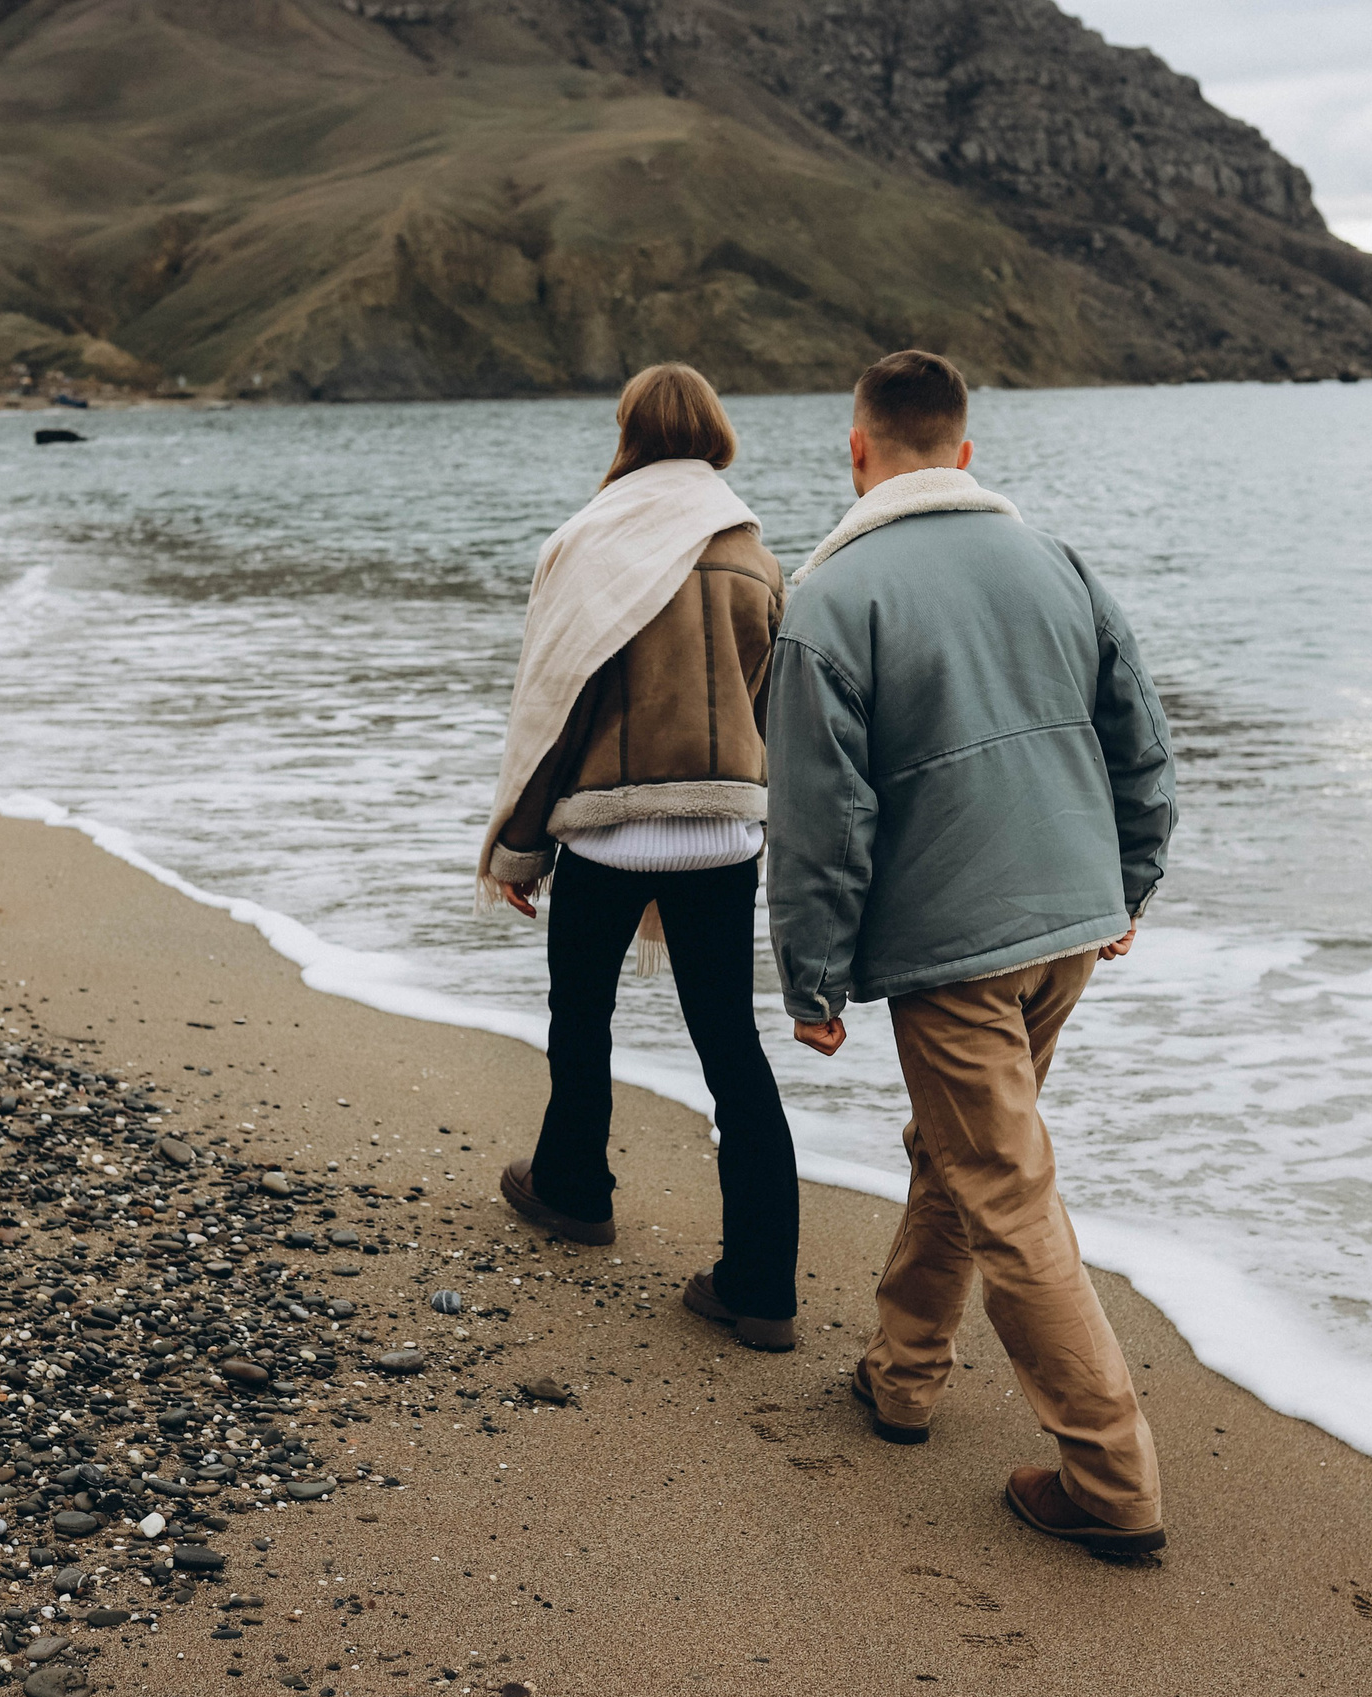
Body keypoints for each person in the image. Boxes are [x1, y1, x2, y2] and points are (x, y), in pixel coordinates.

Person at [764, 350, 1178, 1554]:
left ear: (856, 450)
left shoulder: (829, 601)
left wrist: (812, 975)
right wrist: (1129, 884)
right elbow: (1141, 743)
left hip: (955, 943)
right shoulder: (1056, 561)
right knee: (960, 1147)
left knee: (1003, 1185)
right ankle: (901, 1374)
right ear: (964, 450)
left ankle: (1112, 1485)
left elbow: (818, 818)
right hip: (1070, 923)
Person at [479, 362, 802, 1353]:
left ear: (627, 434)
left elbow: (551, 710)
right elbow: (773, 716)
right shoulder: (755, 554)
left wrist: (518, 848)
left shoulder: (586, 543)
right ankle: (761, 1288)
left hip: (610, 833)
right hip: (723, 834)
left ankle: (575, 1191)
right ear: (714, 434)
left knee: (580, 1013)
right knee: (731, 1049)